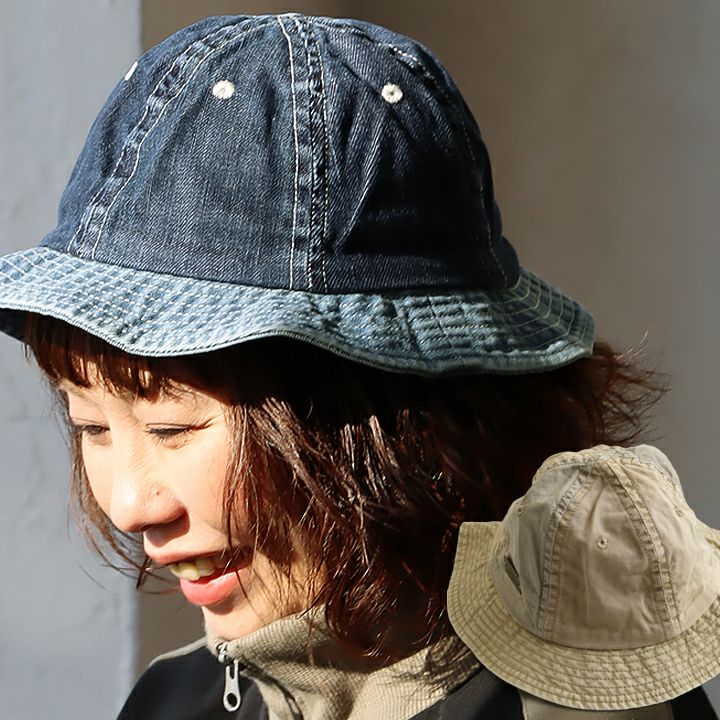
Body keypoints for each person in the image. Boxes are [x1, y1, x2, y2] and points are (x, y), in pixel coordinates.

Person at [0, 12, 716, 720]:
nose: (130, 506)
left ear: (391, 418)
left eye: (172, 428)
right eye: (91, 426)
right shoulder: (176, 699)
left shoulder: (569, 708)